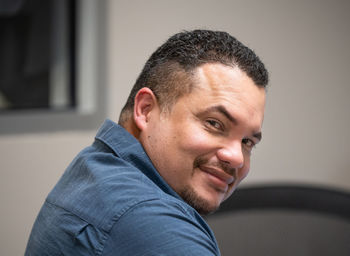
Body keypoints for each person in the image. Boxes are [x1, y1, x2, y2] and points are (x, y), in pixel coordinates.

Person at [25, 29, 268, 255]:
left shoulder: (97, 167)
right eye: (214, 124)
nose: (236, 158)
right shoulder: (150, 222)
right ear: (146, 110)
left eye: (247, 141)